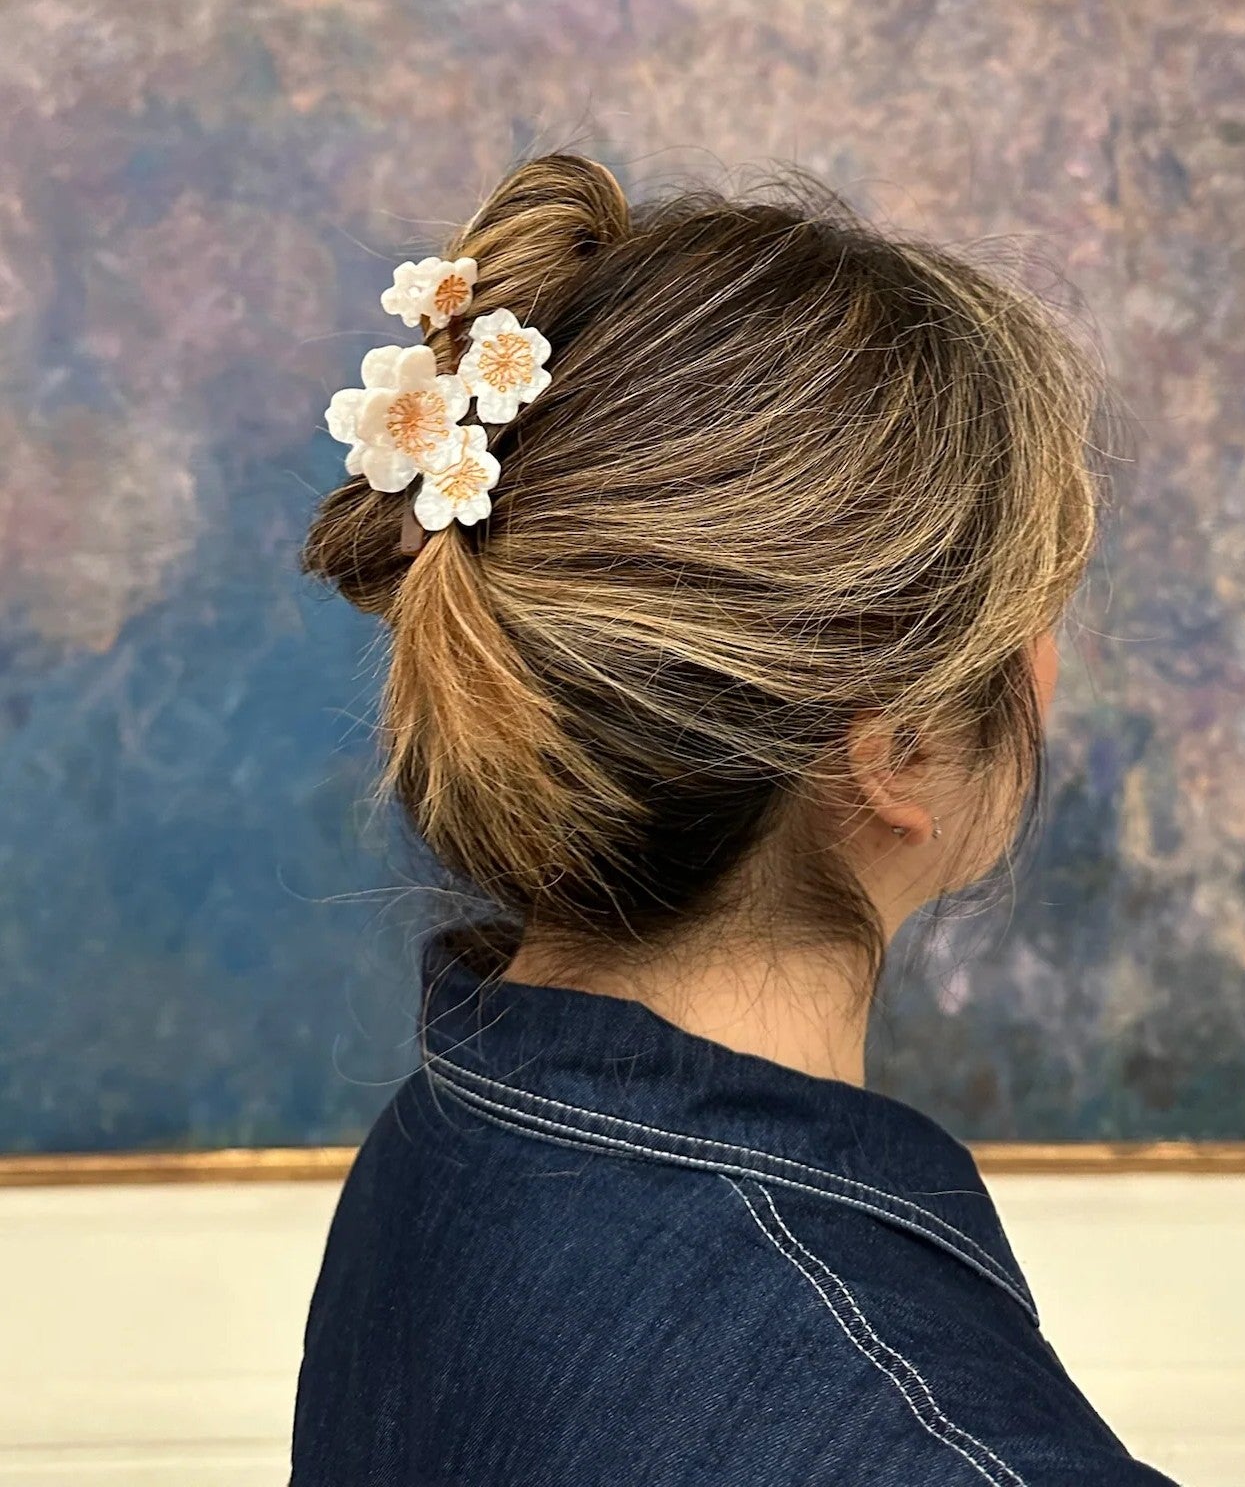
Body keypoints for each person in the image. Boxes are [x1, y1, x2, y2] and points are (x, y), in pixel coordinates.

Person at [291, 150, 1176, 1485]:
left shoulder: (452, 1139)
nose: (1054, 658)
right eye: (1038, 605)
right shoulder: (947, 1452)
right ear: (897, 740)